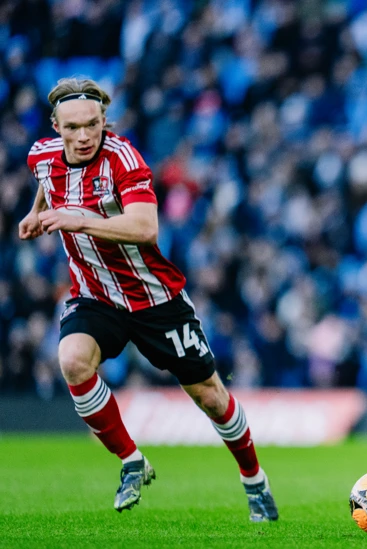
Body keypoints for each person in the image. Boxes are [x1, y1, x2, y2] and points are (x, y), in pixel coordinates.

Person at [19, 78, 278, 522]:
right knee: (72, 360)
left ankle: (254, 481)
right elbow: (46, 179)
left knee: (211, 396)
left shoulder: (123, 160)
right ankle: (131, 460)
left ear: (104, 120)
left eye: (93, 125)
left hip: (154, 299)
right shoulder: (41, 156)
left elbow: (144, 228)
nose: (84, 136)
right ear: (55, 127)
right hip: (95, 295)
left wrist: (75, 219)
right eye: (73, 128)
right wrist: (36, 210)